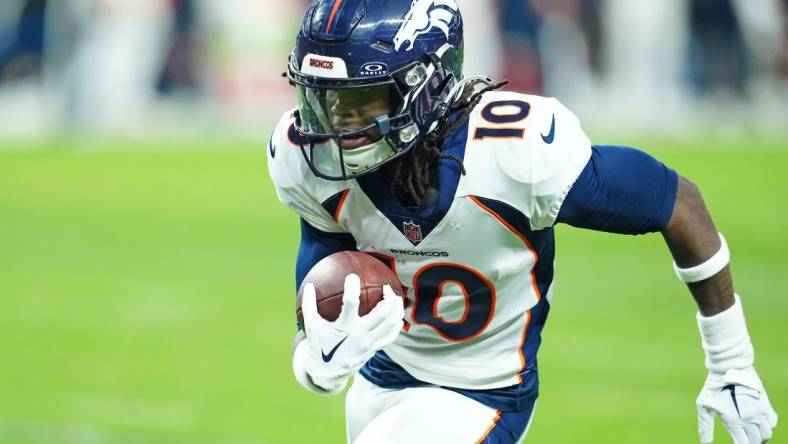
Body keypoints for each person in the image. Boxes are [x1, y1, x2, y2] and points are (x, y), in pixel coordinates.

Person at [266, 0, 778, 442]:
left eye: (358, 101)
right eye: (323, 100)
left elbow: (676, 202)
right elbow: (323, 279)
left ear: (425, 85)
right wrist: (312, 360)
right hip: (380, 385)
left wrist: (730, 359)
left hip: (482, 393)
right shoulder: (308, 162)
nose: (335, 127)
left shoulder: (515, 154)